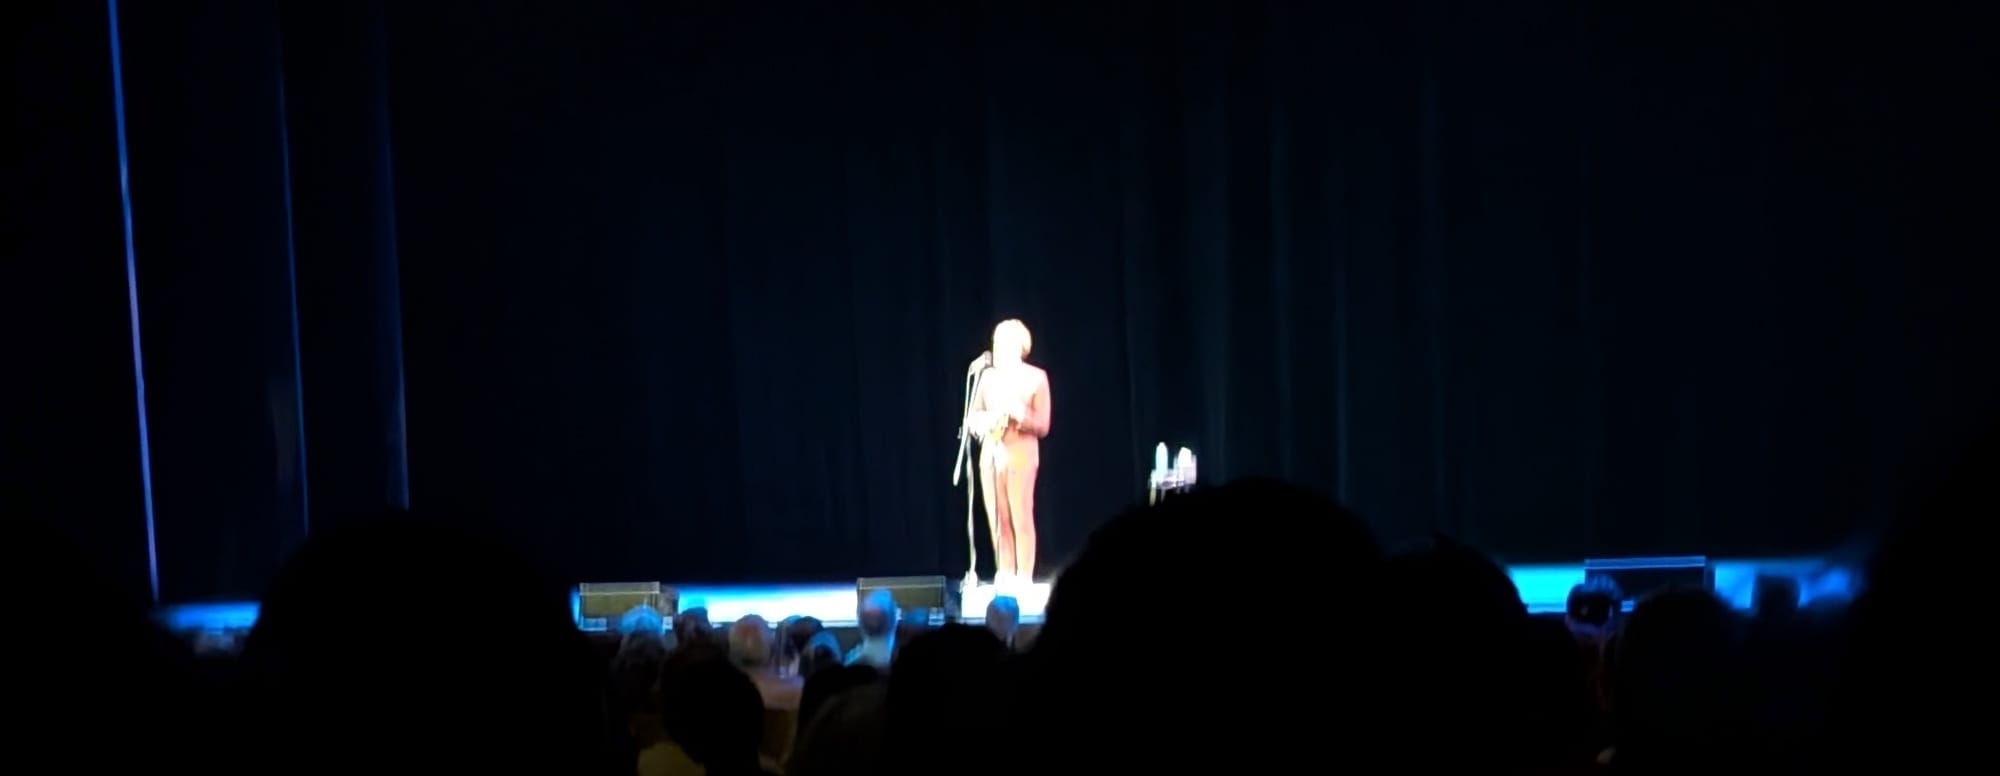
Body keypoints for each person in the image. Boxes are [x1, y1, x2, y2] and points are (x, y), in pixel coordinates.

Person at [967, 319, 1051, 588]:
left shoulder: (1036, 377)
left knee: (1020, 515)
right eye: (996, 342)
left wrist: (1020, 415)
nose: (998, 348)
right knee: (997, 516)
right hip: (991, 454)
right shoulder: (987, 377)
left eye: (1003, 343)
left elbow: (1043, 425)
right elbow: (973, 415)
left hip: (1020, 455)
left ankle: (1024, 576)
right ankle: (1005, 572)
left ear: (1019, 346)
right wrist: (981, 423)